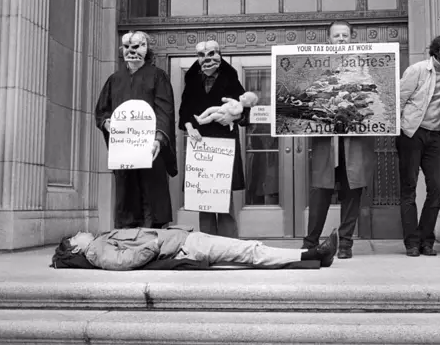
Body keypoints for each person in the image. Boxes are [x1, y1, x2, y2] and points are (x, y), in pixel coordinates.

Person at [303, 21, 376, 260]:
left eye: (345, 35)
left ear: (352, 38)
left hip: (354, 139)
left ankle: (345, 243)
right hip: (327, 140)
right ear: (329, 40)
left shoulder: (365, 63)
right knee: (320, 191)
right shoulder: (316, 64)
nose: (341, 39)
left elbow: (374, 98)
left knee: (351, 190)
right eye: (337, 36)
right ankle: (310, 241)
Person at [95, 31, 177, 229]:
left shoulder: (158, 77)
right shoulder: (114, 80)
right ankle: (127, 239)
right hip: (124, 151)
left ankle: (152, 237)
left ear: (147, 49)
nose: (131, 52)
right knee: (126, 193)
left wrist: (159, 138)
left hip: (149, 148)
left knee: (151, 194)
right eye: (127, 48)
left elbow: (164, 109)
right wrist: (107, 123)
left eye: (137, 47)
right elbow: (102, 110)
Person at [397, 34, 440, 257]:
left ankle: (426, 239)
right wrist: (399, 130)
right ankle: (412, 243)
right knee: (409, 188)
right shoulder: (417, 70)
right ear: (436, 51)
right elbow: (399, 100)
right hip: (411, 133)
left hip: (434, 135)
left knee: (437, 188)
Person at [178, 40, 250, 238]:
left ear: (219, 55)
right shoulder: (192, 80)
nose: (207, 60)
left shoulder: (231, 78)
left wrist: (234, 116)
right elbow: (185, 110)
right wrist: (189, 127)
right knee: (204, 195)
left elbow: (245, 108)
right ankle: (208, 242)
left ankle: (229, 243)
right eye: (202, 56)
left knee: (223, 195)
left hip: (223, 144)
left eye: (212, 54)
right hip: (200, 144)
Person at [53, 227, 338, 270]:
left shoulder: (99, 241)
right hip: (185, 246)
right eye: (75, 236)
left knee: (248, 250)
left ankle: (313, 256)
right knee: (249, 251)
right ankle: (314, 254)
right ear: (75, 248)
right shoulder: (95, 250)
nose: (80, 232)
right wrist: (157, 243)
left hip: (185, 240)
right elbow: (125, 261)